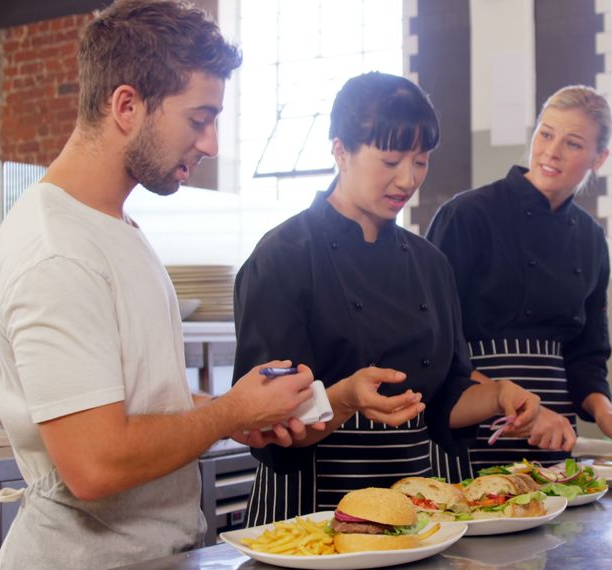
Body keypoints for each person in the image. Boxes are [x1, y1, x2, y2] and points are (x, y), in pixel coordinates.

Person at [0, 2, 320, 568]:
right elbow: (95, 464)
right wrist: (229, 414)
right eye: (198, 118)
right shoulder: (56, 249)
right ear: (126, 105)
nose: (211, 144)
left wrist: (244, 413)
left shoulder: (115, 227)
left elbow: (138, 396)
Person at [233, 71, 554, 523]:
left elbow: (444, 400)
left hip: (412, 506)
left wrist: (499, 393)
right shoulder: (282, 257)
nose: (407, 179)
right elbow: (268, 420)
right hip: (311, 507)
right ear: (340, 151)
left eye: (420, 161)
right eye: (390, 161)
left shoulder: (429, 264)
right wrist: (345, 397)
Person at [426, 85, 612, 472]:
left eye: (573, 143)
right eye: (546, 134)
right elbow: (437, 341)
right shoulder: (467, 216)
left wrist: (607, 413)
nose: (552, 151)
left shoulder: (590, 238)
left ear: (600, 158)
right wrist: (504, 398)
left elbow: (586, 353)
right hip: (473, 429)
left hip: (554, 434)